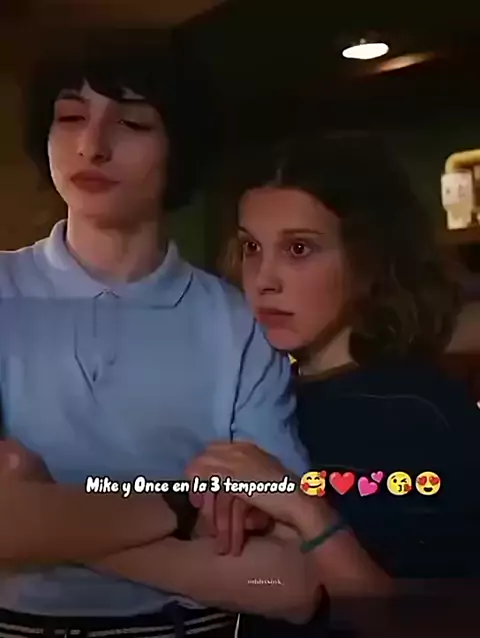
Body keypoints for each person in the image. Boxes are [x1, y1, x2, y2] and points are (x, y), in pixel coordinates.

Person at [0, 28, 317, 637]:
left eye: (132, 123)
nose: (92, 146)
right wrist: (178, 511)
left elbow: (286, 583)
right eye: (71, 117)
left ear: (180, 149)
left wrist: (44, 519)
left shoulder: (237, 324)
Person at [188, 132, 480, 635]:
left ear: (368, 258)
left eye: (299, 248)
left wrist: (302, 509)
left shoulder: (423, 413)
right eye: (252, 247)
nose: (264, 279)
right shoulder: (254, 399)